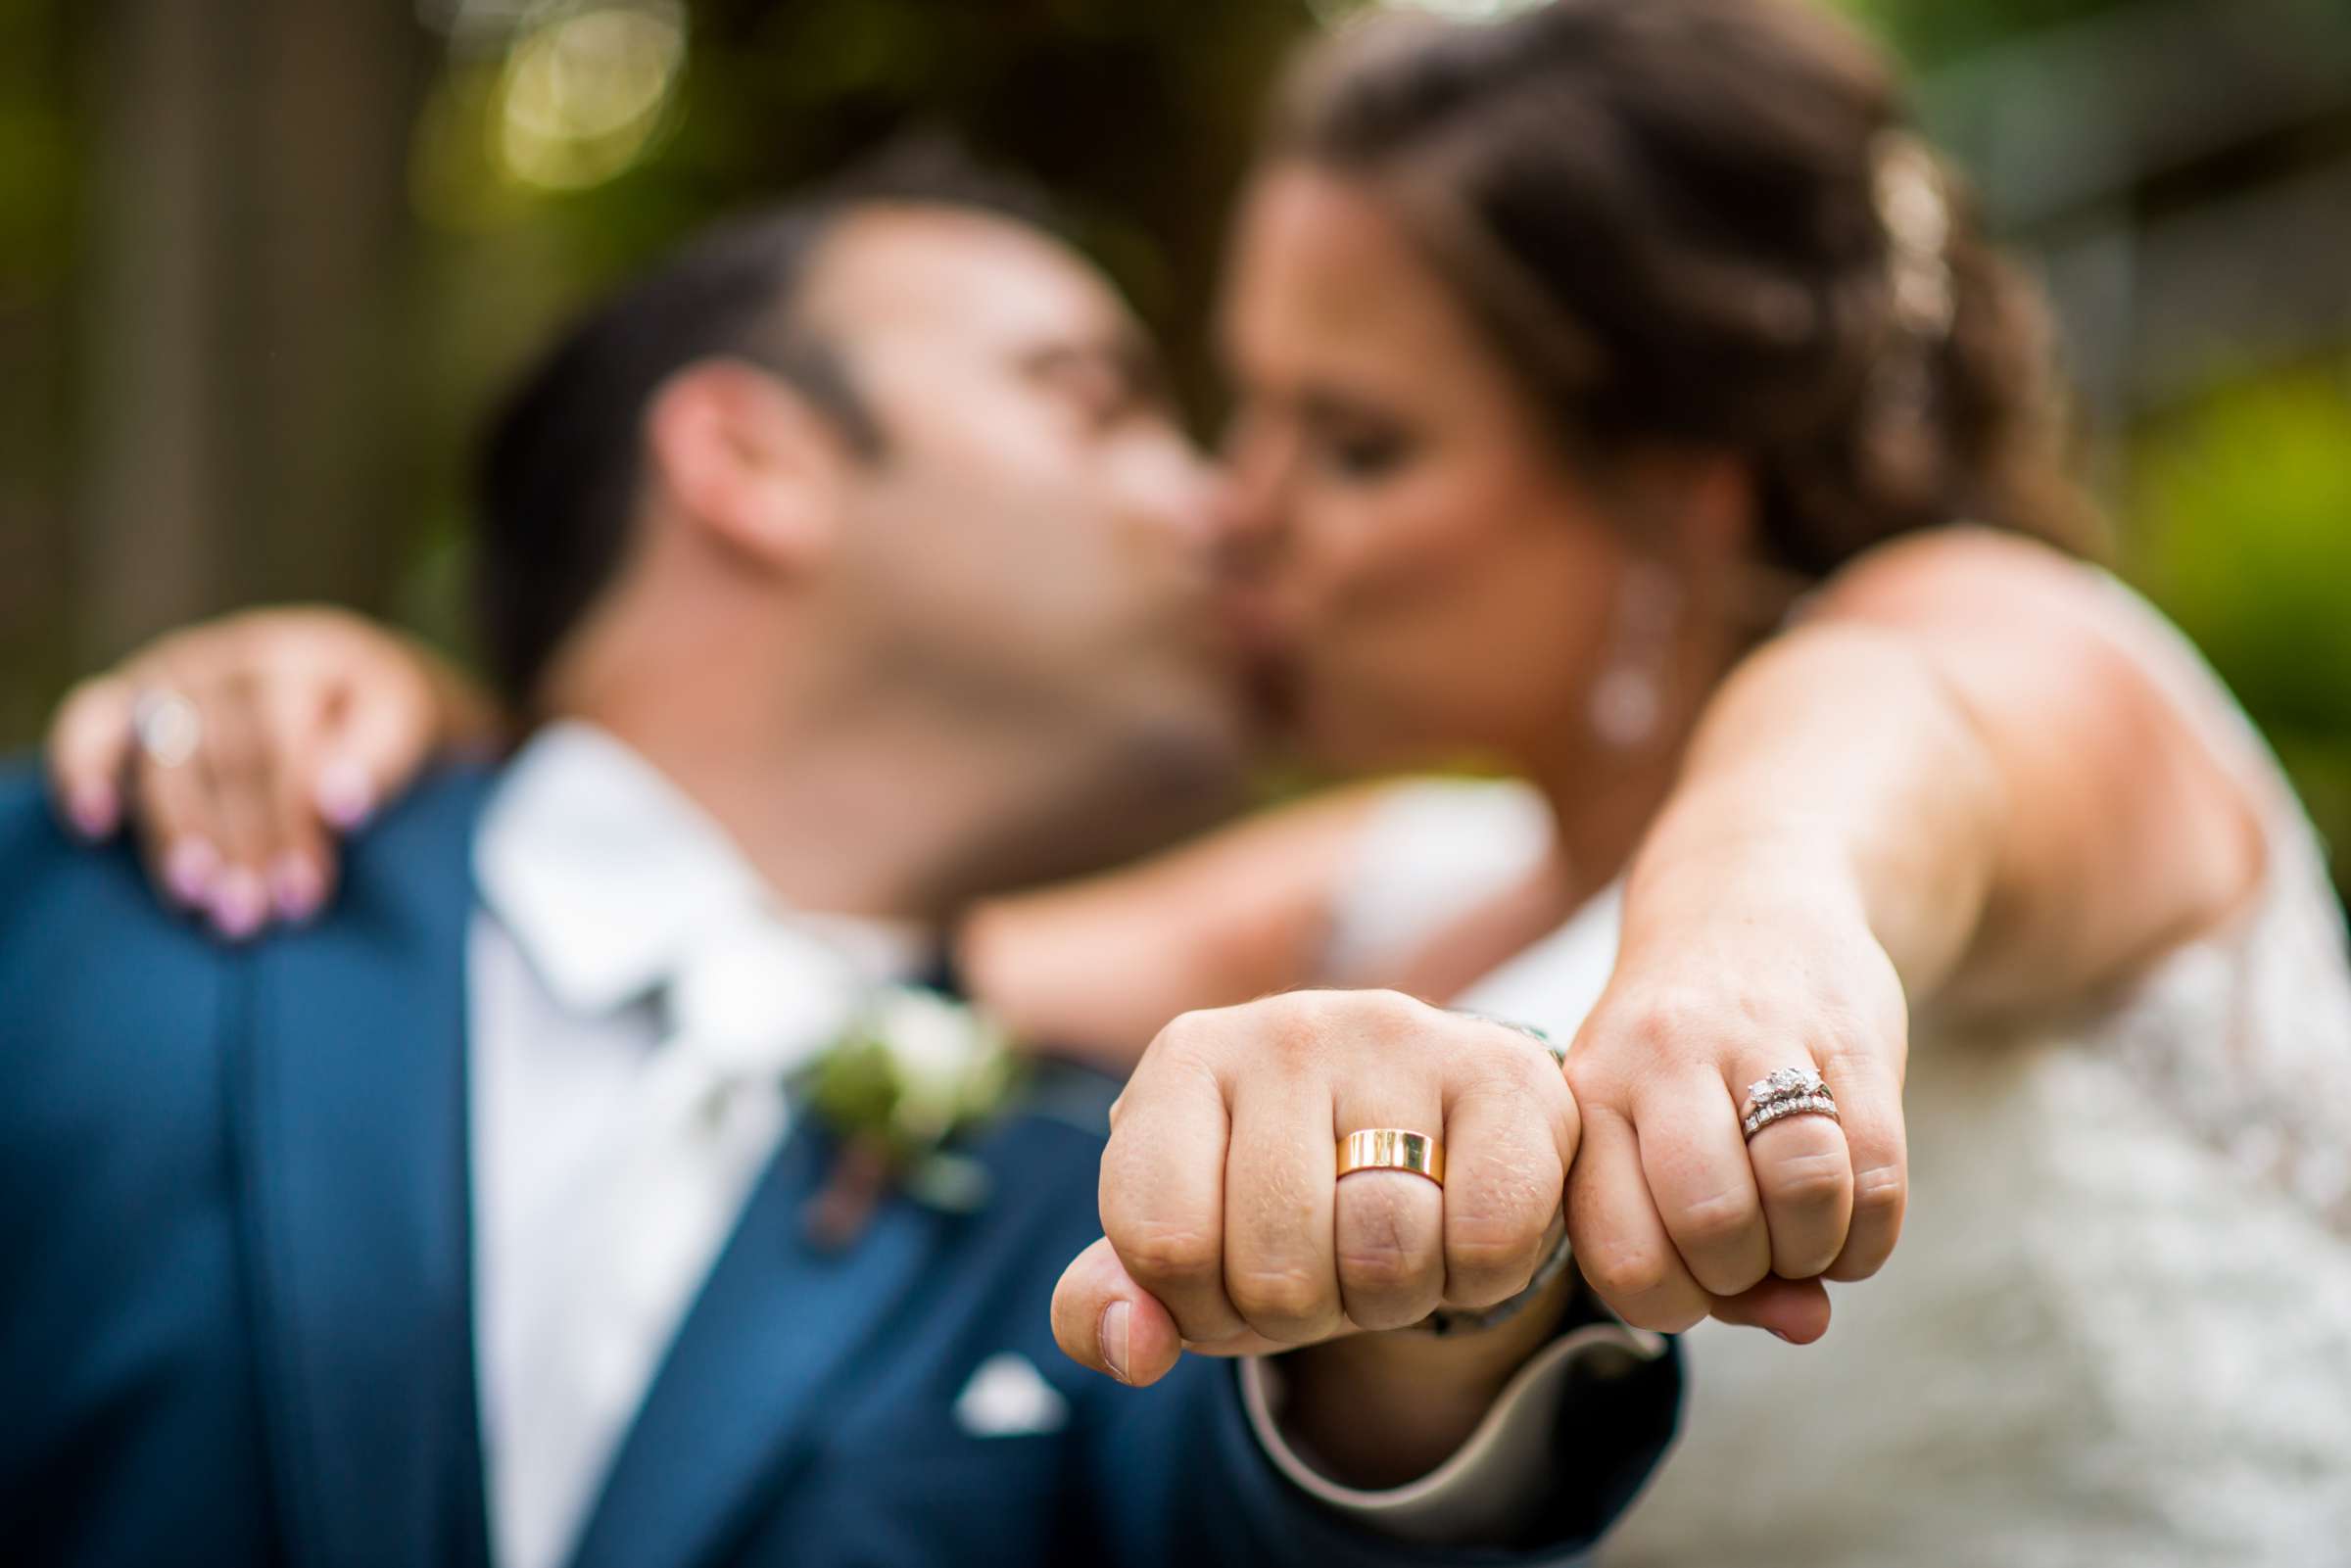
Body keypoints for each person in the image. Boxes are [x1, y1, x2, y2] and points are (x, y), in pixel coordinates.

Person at [49, 1, 2351, 1561]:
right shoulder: (1388, 893)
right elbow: (766, 970)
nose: (1239, 515)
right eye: (1221, 415)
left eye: (1354, 445)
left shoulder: (2000, 655)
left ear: (1675, 485)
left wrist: (1749, 931)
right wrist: (428, 745)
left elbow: (1892, 754)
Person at [0, 169, 1685, 1568]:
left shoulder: (1120, 1190)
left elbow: (1281, 1512)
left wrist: (1427, 1310)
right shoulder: (72, 897)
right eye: (1095, 401)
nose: (1236, 513)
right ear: (751, 463)